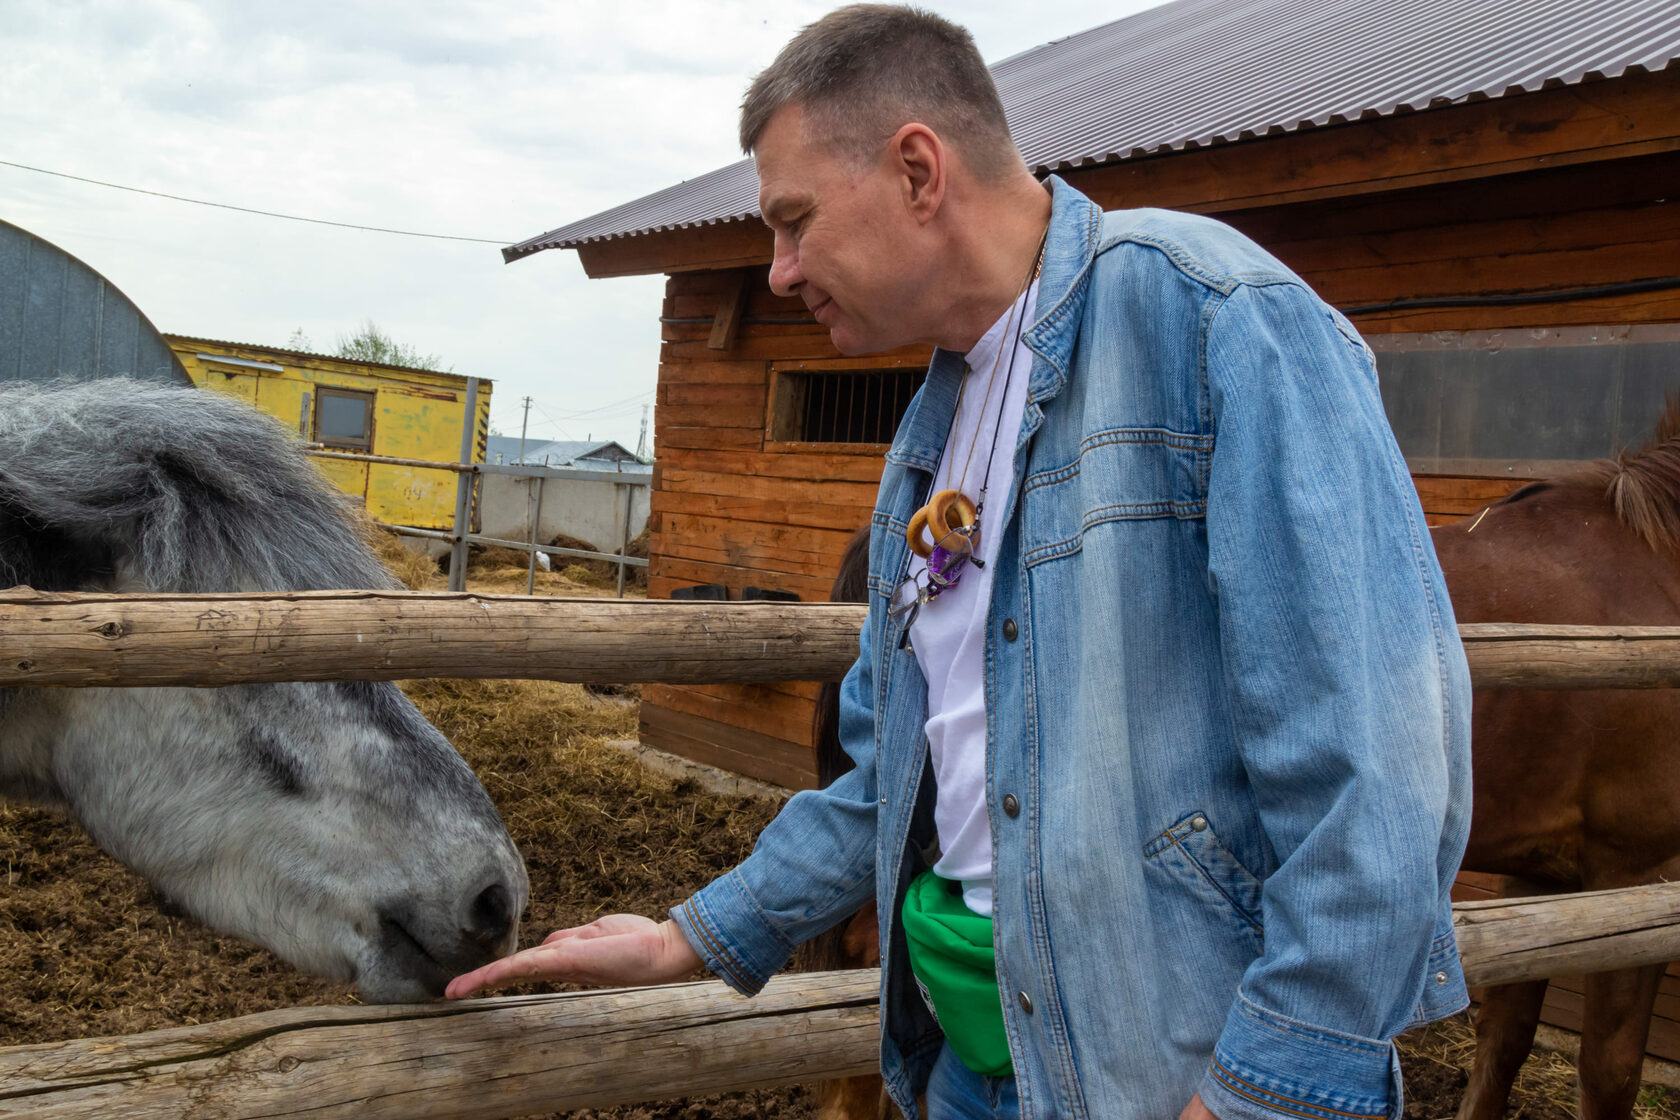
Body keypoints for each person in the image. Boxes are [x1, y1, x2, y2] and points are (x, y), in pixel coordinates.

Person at [447, 7, 1473, 1120]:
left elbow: (1380, 779)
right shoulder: (928, 443)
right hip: (978, 1065)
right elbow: (895, 779)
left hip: (1170, 1069)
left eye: (793, 223)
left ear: (919, 171)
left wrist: (1268, 1090)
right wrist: (694, 933)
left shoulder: (1216, 320)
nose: (780, 273)